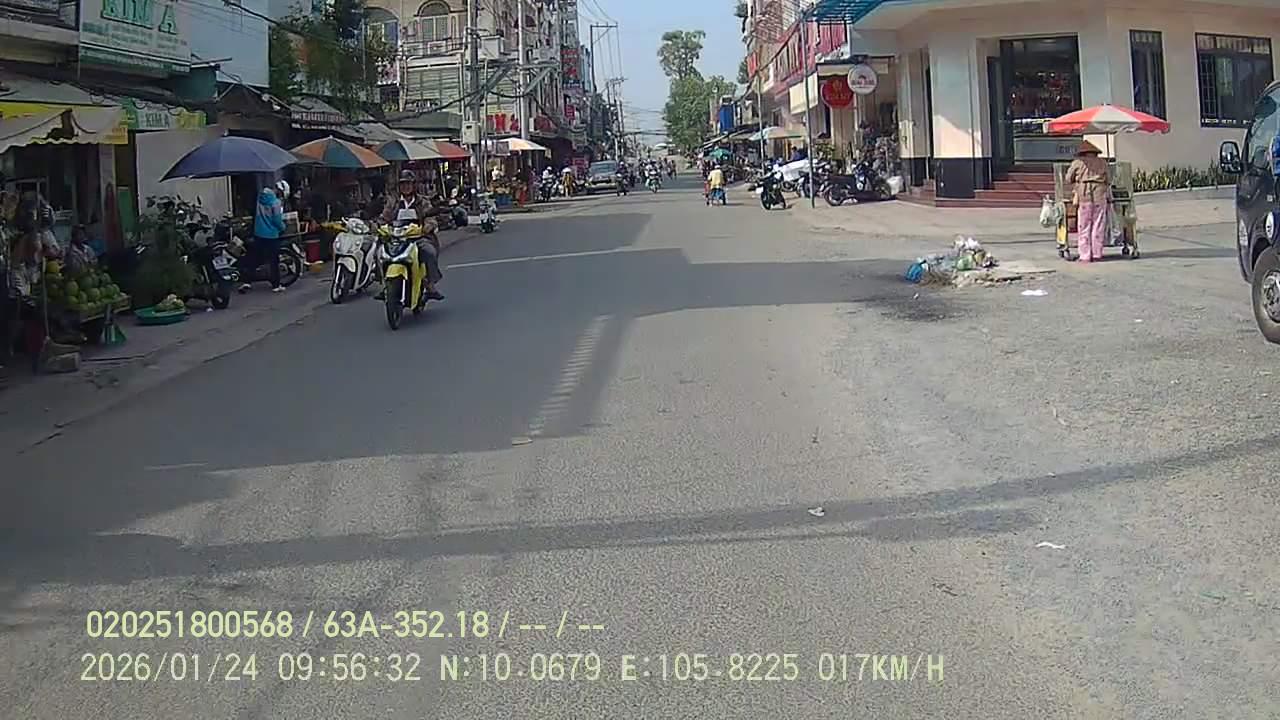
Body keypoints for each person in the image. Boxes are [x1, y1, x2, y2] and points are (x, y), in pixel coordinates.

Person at [380, 169, 444, 300]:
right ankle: (386, 284)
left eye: (408, 183)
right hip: (396, 238)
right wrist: (377, 226)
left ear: (414, 185)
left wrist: (428, 225)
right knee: (379, 252)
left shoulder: (423, 201)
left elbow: (430, 217)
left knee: (429, 251)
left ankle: (430, 285)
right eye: (403, 184)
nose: (406, 187)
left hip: (417, 238)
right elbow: (384, 217)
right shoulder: (393, 202)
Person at [1065, 140, 1111, 263]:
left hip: (1084, 195)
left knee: (1084, 225)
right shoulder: (1102, 162)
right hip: (1100, 194)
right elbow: (1109, 179)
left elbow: (1068, 178)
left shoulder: (1078, 163)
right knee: (1098, 224)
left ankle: (1085, 255)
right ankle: (1097, 254)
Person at [251, 183, 287, 292]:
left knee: (256, 258)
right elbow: (277, 220)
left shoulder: (260, 198)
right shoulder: (275, 203)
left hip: (258, 232)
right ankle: (276, 285)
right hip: (271, 235)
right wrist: (283, 227)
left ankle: (247, 281)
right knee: (273, 261)